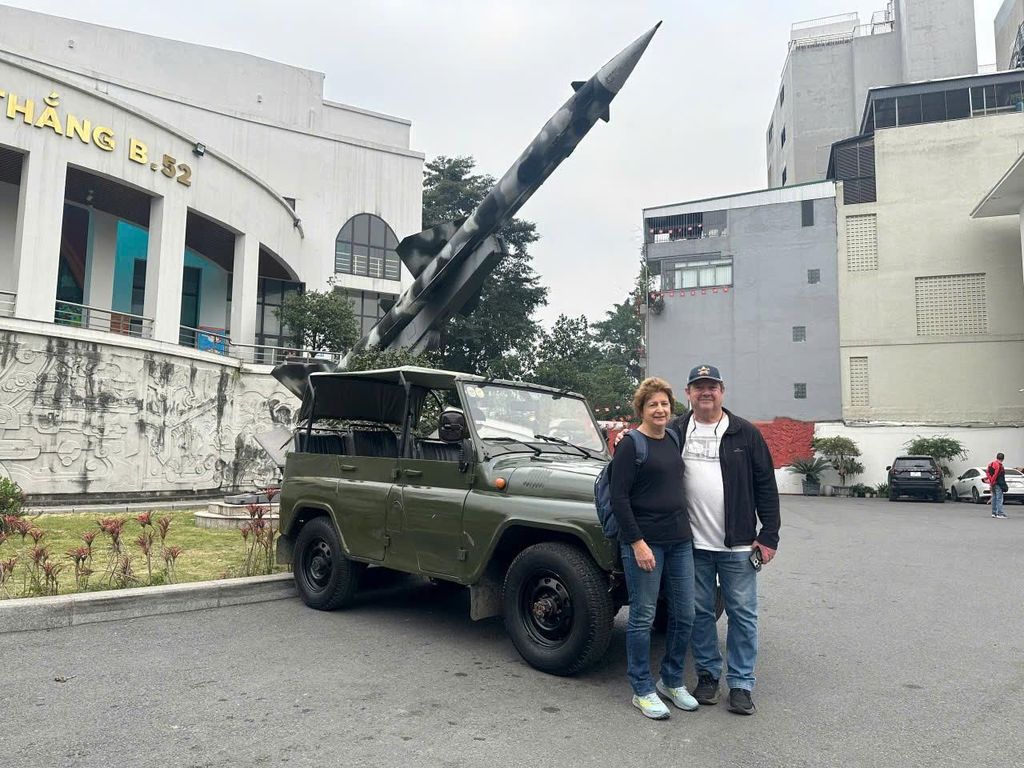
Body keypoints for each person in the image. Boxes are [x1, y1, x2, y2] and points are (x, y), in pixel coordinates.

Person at [668, 364, 780, 716]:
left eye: (711, 386)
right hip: (693, 544)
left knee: (743, 615)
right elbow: (646, 449)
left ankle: (742, 684)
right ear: (687, 393)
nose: (706, 392)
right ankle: (707, 676)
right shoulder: (675, 431)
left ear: (722, 390)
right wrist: (627, 437)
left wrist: (769, 535)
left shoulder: (744, 433)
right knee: (700, 613)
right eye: (698, 386)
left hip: (739, 545)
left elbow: (766, 485)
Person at [611, 377, 697, 720]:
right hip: (645, 544)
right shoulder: (631, 444)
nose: (660, 409)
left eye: (664, 404)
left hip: (679, 540)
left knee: (684, 613)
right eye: (652, 405)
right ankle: (642, 688)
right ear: (641, 409)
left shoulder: (673, 437)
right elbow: (619, 498)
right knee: (643, 617)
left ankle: (671, 680)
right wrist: (637, 543)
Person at [985, 452, 1009, 519]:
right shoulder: (999, 465)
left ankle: (994, 513)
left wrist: (990, 481)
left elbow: (987, 472)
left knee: (994, 498)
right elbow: (996, 474)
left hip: (993, 483)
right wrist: (993, 481)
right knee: (999, 498)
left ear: (997, 457)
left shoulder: (991, 464)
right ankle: (1000, 513)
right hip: (997, 483)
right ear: (1003, 459)